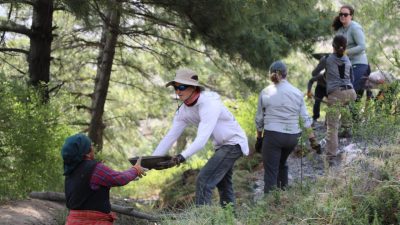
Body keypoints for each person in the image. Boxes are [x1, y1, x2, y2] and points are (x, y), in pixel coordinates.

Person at [151, 68, 249, 207]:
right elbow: (170, 137)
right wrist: (149, 163)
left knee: (204, 180)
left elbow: (201, 140)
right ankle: (230, 219)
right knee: (224, 184)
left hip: (234, 143)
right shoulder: (183, 111)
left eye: (182, 87)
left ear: (193, 87)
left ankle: (202, 219)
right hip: (221, 146)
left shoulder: (208, 103)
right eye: (175, 87)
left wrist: (180, 157)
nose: (178, 91)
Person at [255, 60, 320, 193]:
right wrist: (313, 139)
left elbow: (259, 119)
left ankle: (270, 206)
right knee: (282, 164)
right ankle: (284, 198)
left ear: (270, 75)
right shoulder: (296, 92)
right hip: (292, 137)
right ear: (286, 74)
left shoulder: (266, 92)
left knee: (271, 172)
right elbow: (305, 118)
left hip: (273, 136)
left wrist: (259, 138)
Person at [62, 133, 146, 225]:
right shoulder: (95, 168)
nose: (93, 149)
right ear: (87, 151)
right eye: (91, 146)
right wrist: (135, 170)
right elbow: (119, 179)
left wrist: (132, 174)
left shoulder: (70, 172)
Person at [324, 35, 357, 164]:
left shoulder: (327, 59)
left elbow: (317, 74)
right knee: (344, 104)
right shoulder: (348, 59)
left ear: (333, 46)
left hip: (337, 93)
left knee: (332, 127)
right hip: (350, 91)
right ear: (345, 47)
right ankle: (347, 129)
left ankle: (331, 156)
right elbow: (352, 78)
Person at [332, 4, 369, 101]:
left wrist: (345, 52)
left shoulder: (355, 27)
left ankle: (352, 115)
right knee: (341, 90)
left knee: (349, 90)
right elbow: (336, 48)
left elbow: (362, 46)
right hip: (346, 65)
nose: (342, 16)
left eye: (345, 14)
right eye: (341, 14)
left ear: (351, 16)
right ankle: (350, 115)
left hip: (359, 64)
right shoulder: (340, 30)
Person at [307, 56, 328, 125]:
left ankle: (328, 119)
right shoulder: (320, 76)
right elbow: (310, 81)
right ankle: (315, 118)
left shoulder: (334, 78)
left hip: (329, 89)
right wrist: (309, 91)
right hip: (320, 88)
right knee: (317, 103)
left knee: (332, 104)